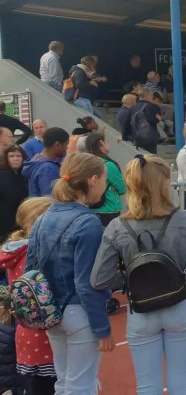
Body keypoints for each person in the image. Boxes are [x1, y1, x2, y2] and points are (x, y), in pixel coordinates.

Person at [91, 154, 186, 395]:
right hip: (179, 304)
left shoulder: (118, 226)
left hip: (141, 308)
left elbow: (99, 278)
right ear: (163, 184)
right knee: (180, 381)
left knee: (147, 385)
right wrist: (184, 274)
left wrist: (131, 281)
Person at [27, 153, 114, 394]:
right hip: (79, 311)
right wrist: (101, 326)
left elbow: (30, 270)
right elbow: (87, 282)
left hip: (52, 311)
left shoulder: (42, 218)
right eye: (105, 180)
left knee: (64, 382)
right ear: (93, 180)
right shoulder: (88, 222)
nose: (105, 186)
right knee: (82, 385)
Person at [0, 197, 57, 394]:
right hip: (45, 326)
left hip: (23, 329)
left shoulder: (13, 250)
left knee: (31, 383)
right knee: (51, 383)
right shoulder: (35, 251)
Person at [81, 133, 125, 226]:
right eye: (107, 142)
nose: (108, 144)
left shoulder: (85, 162)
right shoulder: (108, 165)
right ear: (101, 143)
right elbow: (122, 189)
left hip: (89, 207)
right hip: (109, 209)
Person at [22, 127, 68, 197]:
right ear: (57, 145)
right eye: (66, 144)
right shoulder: (48, 168)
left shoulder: (36, 160)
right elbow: (51, 198)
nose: (67, 147)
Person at [0, 145, 28, 242]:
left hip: (19, 222)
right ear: (6, 159)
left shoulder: (23, 176)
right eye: (11, 156)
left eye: (18, 156)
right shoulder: (3, 175)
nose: (15, 159)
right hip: (5, 224)